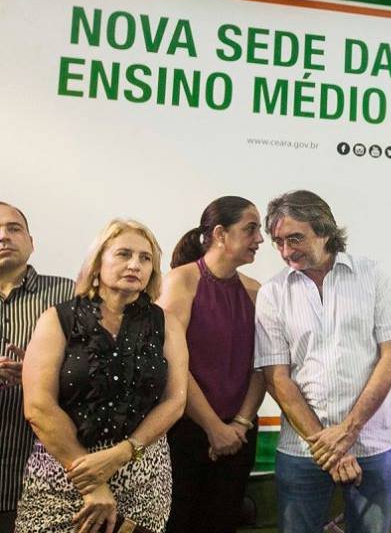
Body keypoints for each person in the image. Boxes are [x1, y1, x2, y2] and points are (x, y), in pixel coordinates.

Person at [255, 190, 391, 533]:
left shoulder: (373, 277)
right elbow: (277, 378)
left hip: (372, 443)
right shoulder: (272, 293)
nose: (286, 251)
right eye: (278, 242)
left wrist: (348, 431)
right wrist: (327, 445)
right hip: (303, 450)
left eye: (295, 238)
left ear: (324, 230)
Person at [15, 219, 188, 533]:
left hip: (142, 476)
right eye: (123, 254)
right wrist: (91, 484)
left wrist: (124, 452)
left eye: (145, 258)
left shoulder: (167, 324)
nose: (135, 264)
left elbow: (175, 401)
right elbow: (38, 406)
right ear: (97, 263)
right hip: (64, 473)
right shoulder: (58, 318)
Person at [157, 197, 266, 533]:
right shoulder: (180, 281)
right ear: (220, 233)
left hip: (239, 434)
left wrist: (241, 423)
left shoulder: (256, 292)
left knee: (221, 522)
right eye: (251, 229)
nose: (260, 239)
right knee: (178, 522)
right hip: (185, 431)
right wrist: (213, 427)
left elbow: (262, 366)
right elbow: (172, 362)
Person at [0, 203, 74, 533]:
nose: (4, 236)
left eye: (14, 228)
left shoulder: (68, 295)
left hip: (46, 480)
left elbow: (98, 372)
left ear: (32, 241)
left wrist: (42, 372)